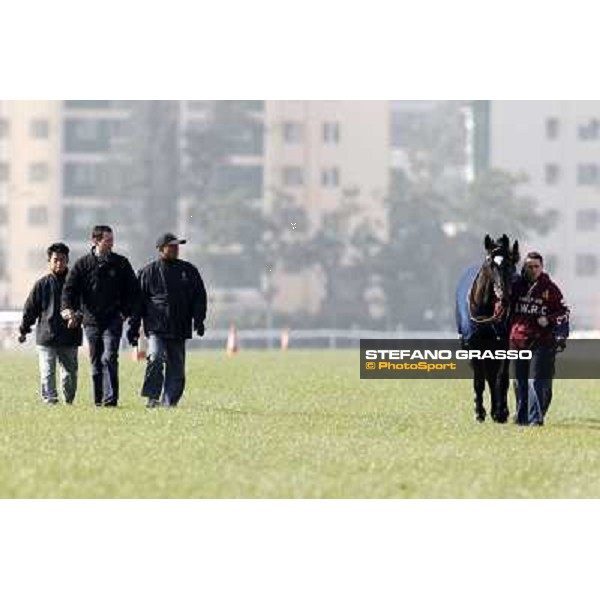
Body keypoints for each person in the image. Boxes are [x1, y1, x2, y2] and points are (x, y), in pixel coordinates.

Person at [61, 225, 139, 407]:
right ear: (95, 241)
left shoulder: (121, 263)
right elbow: (68, 290)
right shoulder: (82, 265)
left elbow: (133, 291)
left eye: (112, 240)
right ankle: (98, 400)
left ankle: (110, 400)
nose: (112, 243)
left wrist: (124, 312)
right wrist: (67, 308)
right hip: (91, 321)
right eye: (108, 240)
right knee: (96, 361)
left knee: (109, 356)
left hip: (114, 319)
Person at [127, 233, 207, 408]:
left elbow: (199, 297)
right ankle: (152, 397)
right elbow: (138, 303)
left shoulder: (189, 270)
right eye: (172, 246)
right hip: (156, 328)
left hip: (180, 327)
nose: (176, 249)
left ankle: (169, 403)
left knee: (176, 370)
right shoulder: (148, 272)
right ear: (161, 249)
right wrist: (133, 328)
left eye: (177, 246)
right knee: (155, 357)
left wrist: (199, 320)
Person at [18, 243, 83, 404]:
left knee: (70, 374)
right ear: (49, 261)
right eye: (55, 260)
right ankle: (50, 400)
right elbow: (30, 309)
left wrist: (77, 317)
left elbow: (85, 306)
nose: (59, 263)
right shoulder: (41, 284)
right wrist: (24, 330)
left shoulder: (76, 284)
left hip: (69, 336)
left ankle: (68, 400)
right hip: (46, 336)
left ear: (67, 260)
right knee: (47, 372)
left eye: (62, 260)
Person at [510, 251, 569, 426]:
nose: (533, 269)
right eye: (529, 266)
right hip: (517, 340)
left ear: (542, 267)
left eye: (536, 266)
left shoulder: (550, 289)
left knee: (535, 381)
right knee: (518, 382)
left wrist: (549, 319)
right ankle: (522, 418)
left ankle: (535, 419)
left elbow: (564, 311)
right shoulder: (515, 286)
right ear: (524, 267)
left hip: (541, 342)